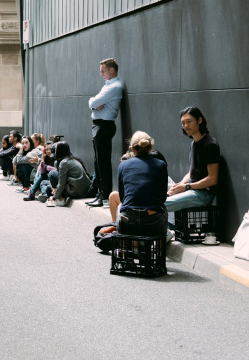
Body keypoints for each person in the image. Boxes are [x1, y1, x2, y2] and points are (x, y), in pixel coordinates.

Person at [97, 131, 168, 238]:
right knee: (163, 209)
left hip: (128, 224)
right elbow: (162, 198)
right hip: (153, 225)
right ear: (150, 147)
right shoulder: (161, 164)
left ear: (132, 148)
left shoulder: (123, 165)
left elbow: (122, 197)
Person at [164, 106, 220, 234]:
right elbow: (191, 172)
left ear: (199, 120)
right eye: (183, 123)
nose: (185, 126)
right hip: (192, 189)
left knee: (159, 205)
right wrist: (181, 185)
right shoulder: (194, 143)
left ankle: (170, 231)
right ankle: (171, 229)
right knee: (154, 196)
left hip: (203, 195)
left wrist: (186, 187)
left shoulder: (210, 144)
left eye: (189, 121)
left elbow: (212, 179)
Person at [86, 58, 123, 207]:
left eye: (103, 71)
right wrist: (95, 103)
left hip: (104, 126)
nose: (101, 74)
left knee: (103, 162)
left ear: (112, 70)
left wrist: (93, 102)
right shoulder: (108, 86)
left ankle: (105, 196)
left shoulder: (113, 87)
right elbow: (96, 104)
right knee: (98, 162)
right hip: (100, 126)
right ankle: (101, 194)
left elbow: (95, 103)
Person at [47, 142, 91, 207]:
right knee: (48, 187)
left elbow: (61, 184)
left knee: (52, 173)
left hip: (74, 191)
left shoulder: (64, 163)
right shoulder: (73, 159)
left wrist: (54, 197)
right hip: (84, 191)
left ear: (59, 151)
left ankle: (59, 199)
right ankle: (57, 195)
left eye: (56, 150)